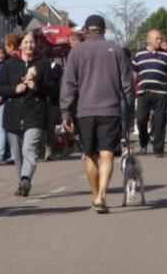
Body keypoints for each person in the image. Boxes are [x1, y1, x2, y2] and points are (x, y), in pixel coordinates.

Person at [60, 15, 134, 214]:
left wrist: (66, 111)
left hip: (84, 111)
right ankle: (102, 195)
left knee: (90, 155)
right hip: (110, 110)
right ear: (104, 30)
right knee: (107, 154)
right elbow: (128, 85)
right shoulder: (116, 50)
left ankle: (95, 196)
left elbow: (68, 85)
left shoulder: (76, 53)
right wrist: (130, 111)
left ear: (85, 30)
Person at [0, 31, 55, 197]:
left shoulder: (43, 63)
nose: (29, 45)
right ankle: (22, 181)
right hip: (13, 114)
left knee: (29, 148)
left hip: (35, 113)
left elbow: (52, 87)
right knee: (17, 153)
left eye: (32, 42)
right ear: (20, 45)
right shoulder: (9, 65)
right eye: (26, 42)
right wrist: (14, 89)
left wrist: (37, 86)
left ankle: (25, 177)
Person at [132, 30, 167, 157]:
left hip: (161, 92)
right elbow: (134, 73)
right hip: (143, 92)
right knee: (141, 120)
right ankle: (144, 142)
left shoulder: (166, 56)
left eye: (160, 39)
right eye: (157, 39)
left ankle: (158, 149)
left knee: (160, 121)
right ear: (149, 39)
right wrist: (130, 86)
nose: (160, 41)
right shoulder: (139, 54)